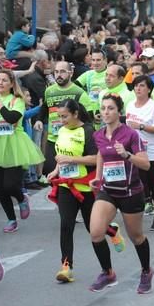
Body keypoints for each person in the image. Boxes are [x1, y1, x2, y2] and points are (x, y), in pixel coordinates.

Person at [88, 93, 153, 293]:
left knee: (136, 236)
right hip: (108, 190)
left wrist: (127, 155)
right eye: (103, 108)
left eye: (110, 108)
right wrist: (98, 176)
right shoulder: (98, 135)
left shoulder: (130, 135)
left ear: (119, 111)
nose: (106, 112)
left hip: (130, 191)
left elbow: (146, 164)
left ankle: (146, 271)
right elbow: (101, 153)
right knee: (96, 232)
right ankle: (107, 273)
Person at [46, 99, 104, 283]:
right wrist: (55, 170)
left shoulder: (87, 131)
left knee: (91, 227)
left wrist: (72, 161)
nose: (61, 120)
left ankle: (107, 263)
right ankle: (66, 266)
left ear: (75, 114)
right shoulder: (62, 130)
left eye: (64, 116)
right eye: (59, 116)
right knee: (66, 224)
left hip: (86, 187)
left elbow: (96, 159)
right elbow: (62, 154)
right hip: (66, 186)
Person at [0, 69, 44, 232]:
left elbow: (13, 118)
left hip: (14, 145)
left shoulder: (16, 100)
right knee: (0, 188)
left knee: (11, 185)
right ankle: (11, 220)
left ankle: (21, 197)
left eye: (4, 80)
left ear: (12, 84)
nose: (0, 83)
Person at [125, 75, 154, 230]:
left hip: (153, 152)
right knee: (139, 186)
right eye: (136, 85)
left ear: (149, 89)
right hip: (136, 153)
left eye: (142, 86)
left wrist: (140, 126)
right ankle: (139, 216)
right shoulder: (130, 105)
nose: (138, 88)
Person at [35, 61, 92, 176]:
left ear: (70, 73)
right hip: (53, 138)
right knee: (50, 172)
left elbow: (88, 117)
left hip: (73, 139)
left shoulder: (79, 92)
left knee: (70, 173)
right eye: (56, 72)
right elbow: (45, 107)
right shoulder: (49, 91)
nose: (59, 75)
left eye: (62, 72)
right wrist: (39, 119)